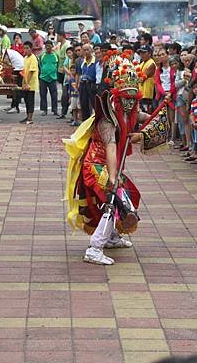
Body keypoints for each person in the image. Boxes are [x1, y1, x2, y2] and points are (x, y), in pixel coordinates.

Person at [64, 49, 150, 265]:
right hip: (97, 164)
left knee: (129, 197)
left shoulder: (129, 110)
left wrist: (154, 123)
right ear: (119, 96)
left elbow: (142, 118)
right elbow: (111, 147)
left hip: (110, 165)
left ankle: (111, 237)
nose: (131, 104)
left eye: (134, 99)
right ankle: (95, 247)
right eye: (127, 100)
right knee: (113, 200)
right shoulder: (108, 116)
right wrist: (112, 178)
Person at [76, 43, 98, 121]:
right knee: (84, 104)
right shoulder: (81, 61)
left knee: (94, 104)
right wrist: (77, 84)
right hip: (83, 85)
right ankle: (85, 122)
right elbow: (78, 74)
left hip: (92, 85)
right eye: (84, 50)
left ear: (91, 50)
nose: (86, 52)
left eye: (87, 50)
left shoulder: (96, 61)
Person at [38, 40, 59, 116]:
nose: (48, 47)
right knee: (43, 94)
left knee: (54, 95)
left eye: (49, 46)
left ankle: (55, 110)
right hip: (43, 77)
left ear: (52, 46)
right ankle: (44, 110)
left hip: (53, 78)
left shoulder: (56, 55)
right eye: (46, 46)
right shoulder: (42, 55)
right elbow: (40, 65)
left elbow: (58, 64)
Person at [19, 41, 39, 125]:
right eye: (24, 48)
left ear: (31, 49)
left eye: (27, 48)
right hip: (26, 82)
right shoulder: (25, 58)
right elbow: (24, 72)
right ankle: (27, 116)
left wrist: (27, 83)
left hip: (31, 84)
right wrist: (23, 83)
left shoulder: (33, 58)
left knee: (30, 101)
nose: (25, 50)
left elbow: (31, 72)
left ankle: (30, 118)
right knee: (26, 100)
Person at [3, 48, 25, 114]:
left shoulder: (5, 53)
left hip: (19, 69)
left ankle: (16, 107)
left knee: (16, 89)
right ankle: (13, 106)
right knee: (14, 89)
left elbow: (5, 63)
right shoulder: (9, 52)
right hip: (17, 67)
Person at [56, 32, 71, 119]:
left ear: (62, 36)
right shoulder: (59, 45)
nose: (57, 37)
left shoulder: (67, 45)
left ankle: (69, 113)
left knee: (68, 95)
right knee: (64, 93)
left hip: (68, 74)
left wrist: (68, 73)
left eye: (58, 36)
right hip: (62, 71)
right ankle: (63, 112)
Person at [138, 45, 156, 112]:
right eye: (140, 53)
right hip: (141, 93)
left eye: (144, 52)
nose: (141, 55)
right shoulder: (142, 63)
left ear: (149, 53)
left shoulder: (151, 63)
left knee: (147, 114)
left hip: (148, 94)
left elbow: (141, 78)